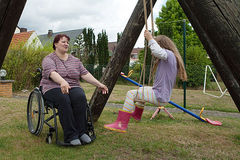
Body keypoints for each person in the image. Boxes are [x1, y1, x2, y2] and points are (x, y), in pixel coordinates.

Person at [104, 30, 187, 133]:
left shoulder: (168, 55)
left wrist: (150, 38)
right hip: (162, 94)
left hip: (159, 95)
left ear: (161, 46)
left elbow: (157, 51)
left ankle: (121, 123)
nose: (151, 52)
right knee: (141, 91)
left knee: (131, 94)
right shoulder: (171, 57)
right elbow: (157, 52)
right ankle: (137, 115)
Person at [40, 34, 108, 145]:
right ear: (55, 44)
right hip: (52, 87)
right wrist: (62, 81)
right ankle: (71, 135)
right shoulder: (48, 59)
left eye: (67, 42)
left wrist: (99, 84)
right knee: (63, 98)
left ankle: (82, 132)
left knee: (80, 96)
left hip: (72, 86)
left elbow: (85, 74)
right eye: (63, 42)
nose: (66, 44)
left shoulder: (75, 60)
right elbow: (52, 73)